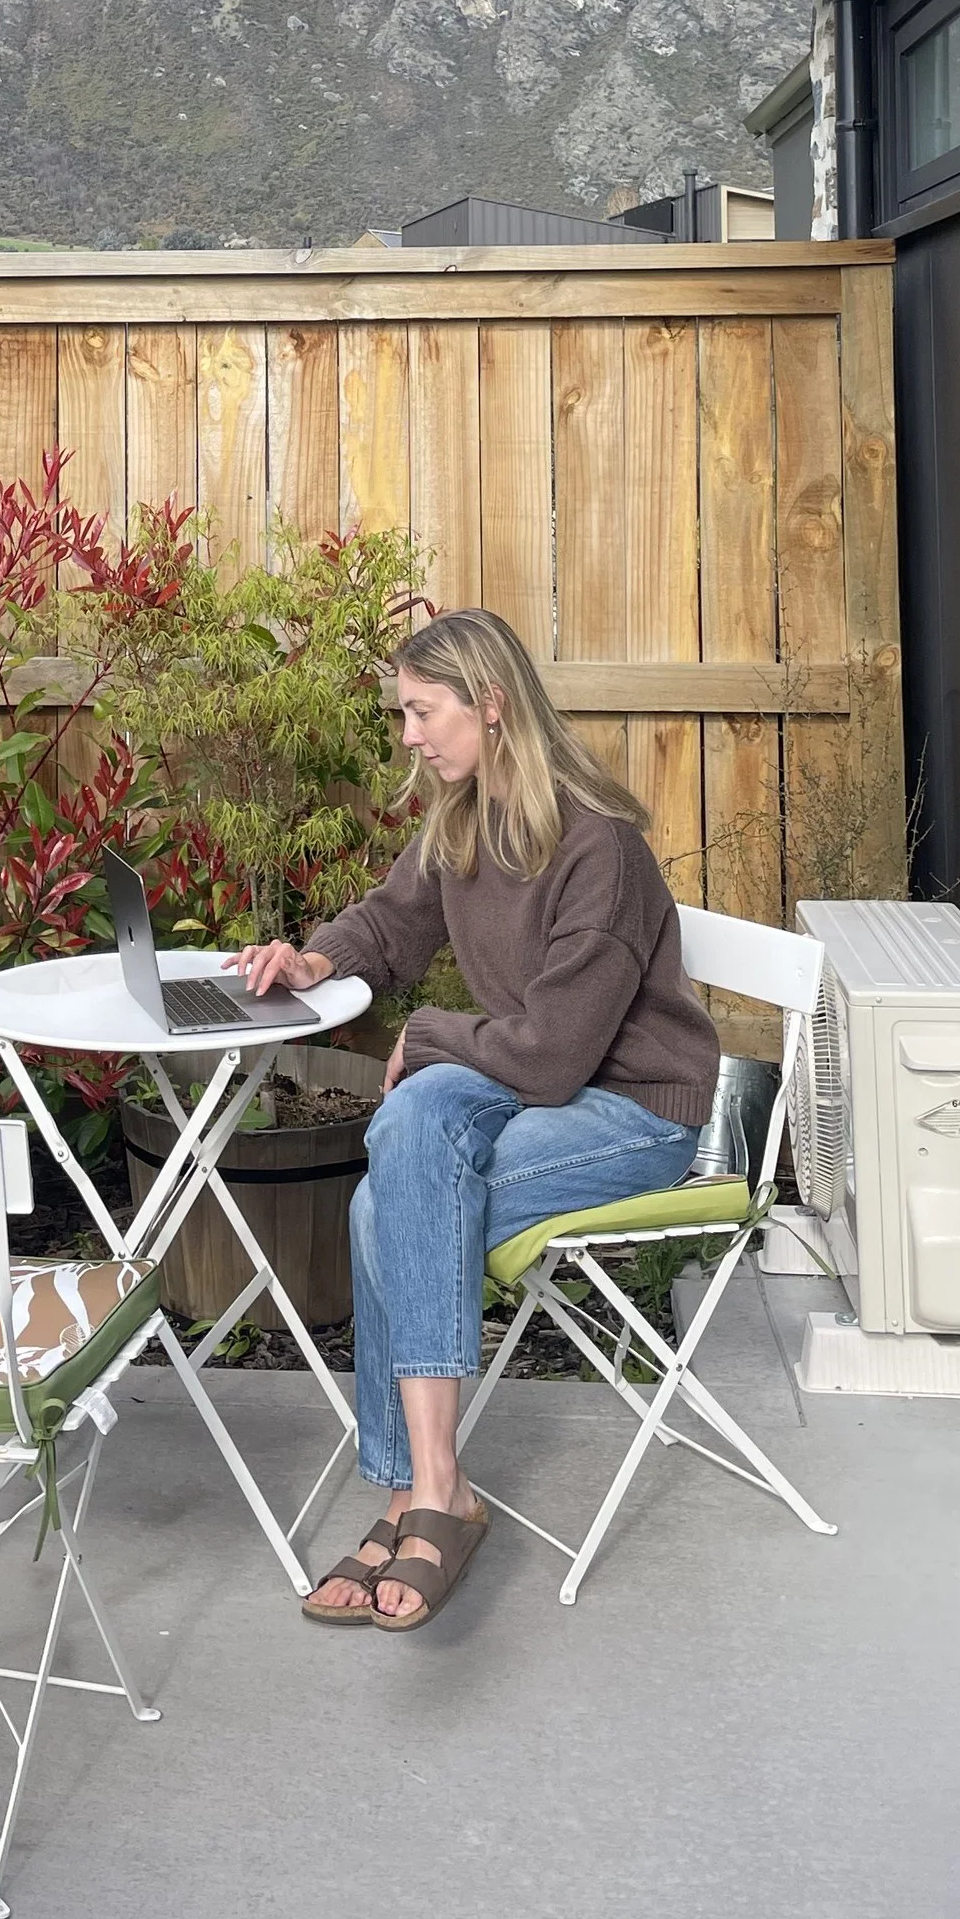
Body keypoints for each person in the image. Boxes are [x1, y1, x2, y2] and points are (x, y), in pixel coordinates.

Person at [232, 606, 717, 1630]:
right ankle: (429, 1491)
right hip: (531, 1079)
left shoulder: (600, 848)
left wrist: (436, 1032)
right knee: (407, 1147)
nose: (407, 734)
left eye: (422, 711)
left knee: (385, 1208)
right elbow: (387, 922)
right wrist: (317, 958)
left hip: (631, 1110)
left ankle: (419, 1491)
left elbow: (548, 1055)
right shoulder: (461, 818)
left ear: (490, 707)